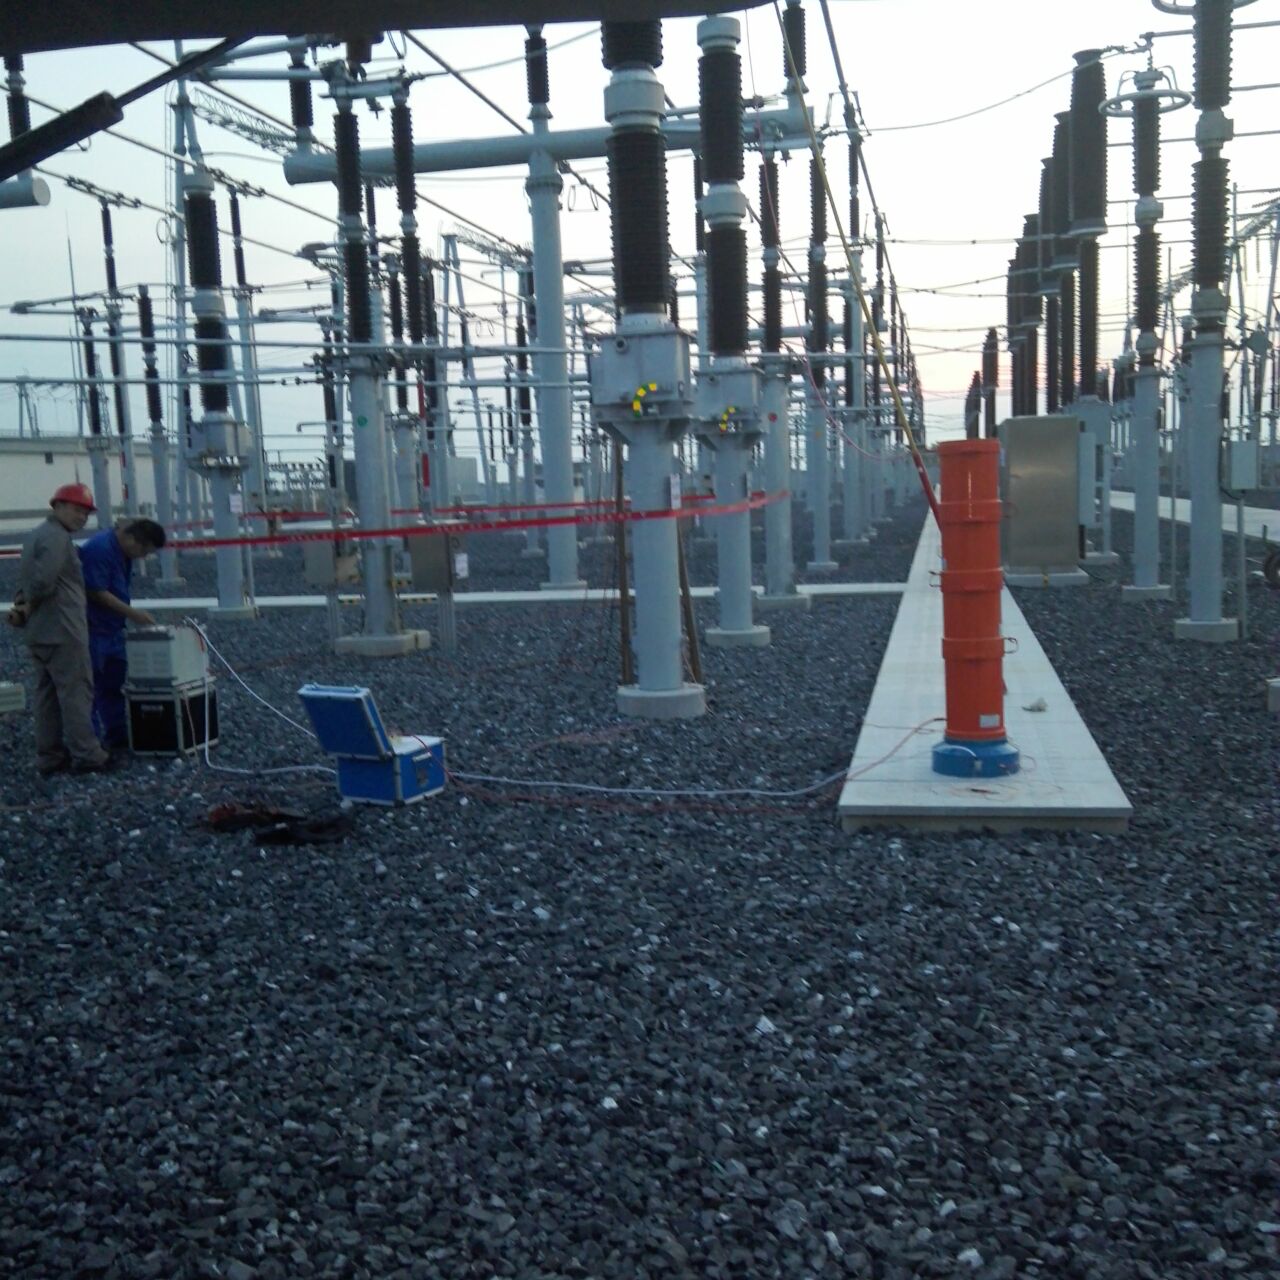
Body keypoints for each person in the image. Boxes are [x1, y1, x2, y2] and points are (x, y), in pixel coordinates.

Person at [7, 484, 113, 775]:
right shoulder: (57, 537)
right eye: (77, 510)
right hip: (64, 629)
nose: (82, 517)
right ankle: (88, 755)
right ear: (58, 506)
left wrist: (23, 606)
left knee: (47, 696)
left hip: (41, 631)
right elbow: (42, 582)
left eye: (86, 513)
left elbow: (27, 580)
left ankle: (50, 756)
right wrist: (29, 603)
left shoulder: (36, 535)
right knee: (76, 692)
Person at [78, 517, 166, 748]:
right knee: (89, 688)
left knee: (113, 685)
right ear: (132, 539)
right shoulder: (99, 550)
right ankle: (90, 744)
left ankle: (116, 734)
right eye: (144, 551)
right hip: (93, 628)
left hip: (113, 628)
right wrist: (133, 614)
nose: (143, 557)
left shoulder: (122, 552)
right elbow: (96, 591)